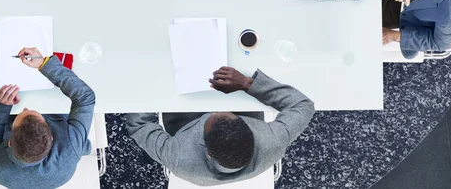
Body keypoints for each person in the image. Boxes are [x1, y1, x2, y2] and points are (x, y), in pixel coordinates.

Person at [126, 66, 315, 186]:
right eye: (224, 114)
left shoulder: (178, 158)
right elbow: (302, 105)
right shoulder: (272, 142)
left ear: (207, 151)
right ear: (252, 135)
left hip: (183, 110)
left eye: (212, 117)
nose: (215, 110)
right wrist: (247, 84)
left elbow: (139, 125)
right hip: (236, 91)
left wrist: (154, 86)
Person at [0, 47, 96, 189]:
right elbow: (85, 97)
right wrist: (44, 64)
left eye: (24, 112)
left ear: (9, 142)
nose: (26, 108)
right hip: (62, 125)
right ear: (52, 138)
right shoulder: (70, 148)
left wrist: (1, 107)